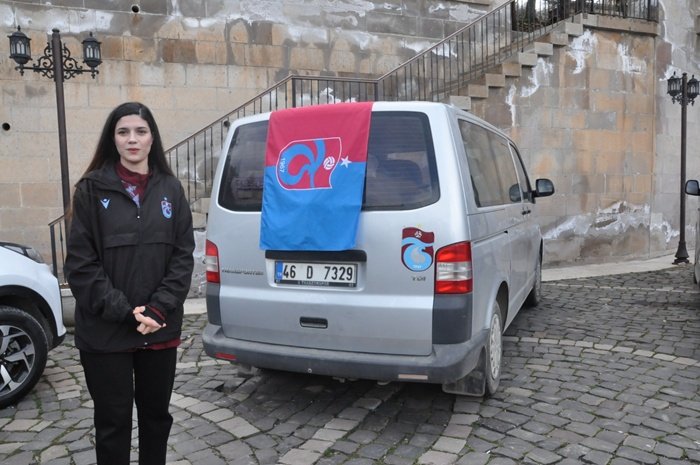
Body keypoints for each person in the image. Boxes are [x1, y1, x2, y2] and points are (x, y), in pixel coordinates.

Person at [65, 102, 195, 465]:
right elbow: (81, 265)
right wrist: (125, 311)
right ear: (113, 139)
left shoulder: (171, 189)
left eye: (140, 131)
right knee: (112, 423)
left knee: (156, 418)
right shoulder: (91, 190)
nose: (132, 139)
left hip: (158, 328)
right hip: (106, 331)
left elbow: (183, 256)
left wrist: (157, 309)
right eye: (123, 132)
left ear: (153, 138)